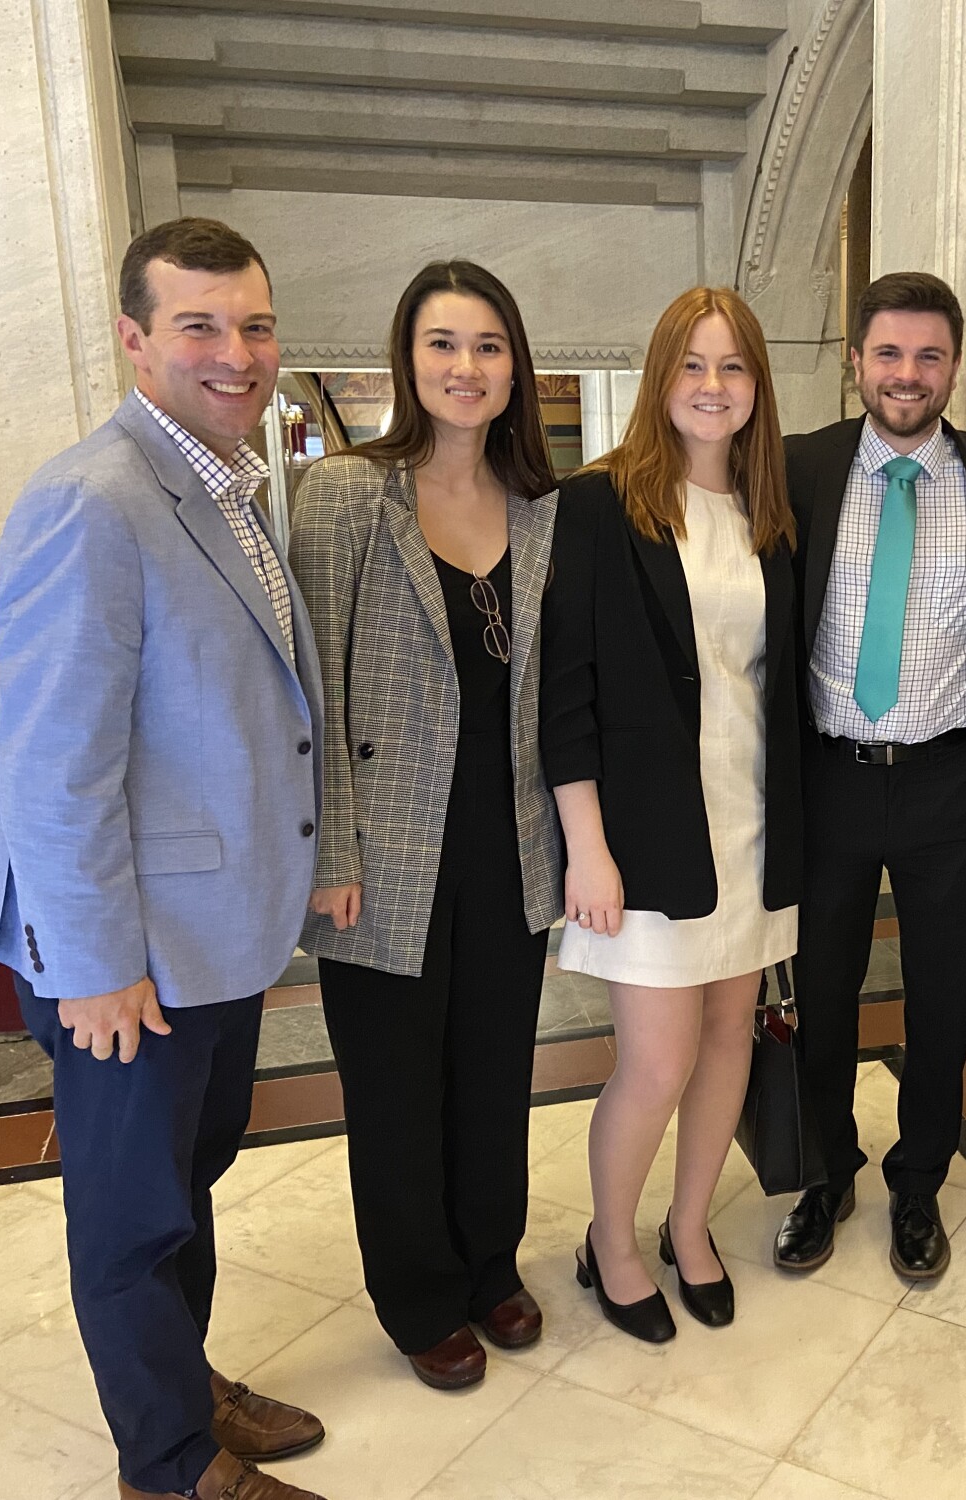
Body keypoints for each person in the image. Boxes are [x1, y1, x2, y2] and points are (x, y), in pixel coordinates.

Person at [0, 218, 328, 1500]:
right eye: (199, 326)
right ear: (133, 338)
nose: (236, 353)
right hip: (129, 956)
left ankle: (188, 1384)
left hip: (208, 932)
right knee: (128, 1222)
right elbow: (53, 770)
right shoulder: (92, 500)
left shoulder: (220, 482)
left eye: (254, 325)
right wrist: (97, 968)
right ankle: (171, 1469)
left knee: (188, 1179)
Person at [289, 261, 563, 1390]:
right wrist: (329, 853)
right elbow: (312, 691)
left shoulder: (547, 511)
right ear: (408, 360)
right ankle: (417, 1297)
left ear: (516, 367)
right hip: (385, 850)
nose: (467, 368)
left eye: (489, 345)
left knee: (496, 1073)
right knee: (397, 1089)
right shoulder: (350, 492)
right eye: (444, 345)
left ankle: (488, 1262)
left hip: (511, 840)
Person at [540, 286, 800, 1342]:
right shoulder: (598, 505)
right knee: (655, 1060)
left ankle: (690, 1228)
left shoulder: (769, 513)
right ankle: (611, 1242)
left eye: (731, 367)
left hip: (750, 823)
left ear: (755, 388)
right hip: (647, 837)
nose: (711, 387)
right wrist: (586, 848)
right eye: (691, 365)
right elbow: (566, 693)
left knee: (731, 1031)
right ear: (659, 379)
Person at [779, 272, 966, 1282]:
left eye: (928, 356)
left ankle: (919, 1180)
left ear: (954, 367)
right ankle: (824, 1172)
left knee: (941, 1001)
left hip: (946, 782)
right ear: (854, 361)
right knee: (824, 993)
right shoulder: (800, 467)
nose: (906, 374)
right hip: (829, 776)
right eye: (887, 353)